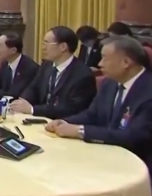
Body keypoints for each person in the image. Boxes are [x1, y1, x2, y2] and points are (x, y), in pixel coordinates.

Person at [47, 36, 152, 177]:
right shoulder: (110, 83)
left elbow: (134, 136)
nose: (99, 64)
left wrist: (81, 131)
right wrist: (65, 122)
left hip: (138, 166)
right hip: (107, 155)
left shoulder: (147, 91)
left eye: (105, 58)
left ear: (126, 62)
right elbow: (92, 114)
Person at [11, 26, 96, 119]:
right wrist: (21, 102)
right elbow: (34, 88)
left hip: (63, 123)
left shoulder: (83, 75)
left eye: (46, 43)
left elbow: (72, 108)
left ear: (63, 47)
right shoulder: (47, 65)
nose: (43, 48)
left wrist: (33, 109)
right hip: (41, 119)